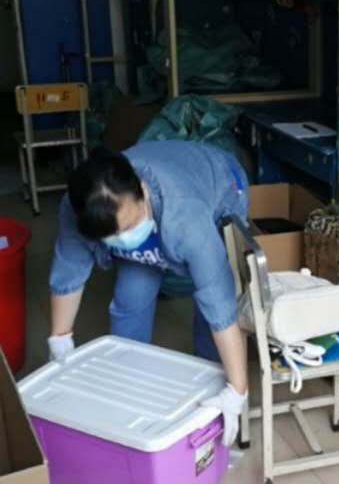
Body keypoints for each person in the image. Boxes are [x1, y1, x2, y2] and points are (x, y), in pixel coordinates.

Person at [47, 144, 253, 446]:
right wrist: (60, 339)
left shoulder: (185, 217)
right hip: (159, 200)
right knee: (130, 298)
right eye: (111, 237)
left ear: (142, 191)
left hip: (221, 184)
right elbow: (69, 270)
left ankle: (214, 395)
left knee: (209, 310)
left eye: (129, 226)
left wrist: (238, 391)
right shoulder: (80, 205)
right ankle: (129, 386)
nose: (124, 241)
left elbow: (218, 302)